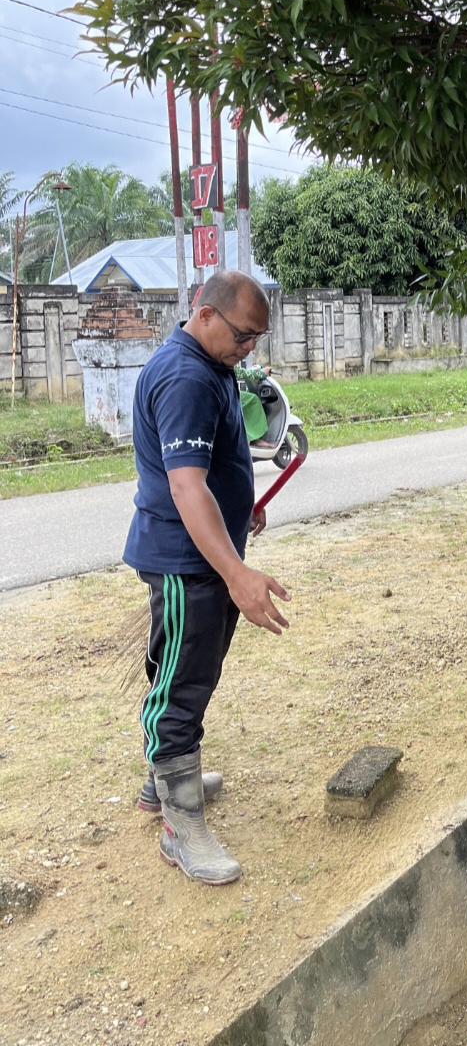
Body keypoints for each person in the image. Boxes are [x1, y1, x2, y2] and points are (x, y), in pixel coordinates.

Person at [124, 270, 289, 886]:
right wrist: (238, 573)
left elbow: (210, 467)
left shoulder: (211, 365)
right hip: (185, 562)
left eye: (256, 339)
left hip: (204, 555)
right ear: (206, 313)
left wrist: (241, 500)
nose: (250, 348)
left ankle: (165, 782)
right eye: (244, 335)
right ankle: (179, 824)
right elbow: (185, 485)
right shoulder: (187, 376)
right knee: (182, 682)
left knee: (188, 672)